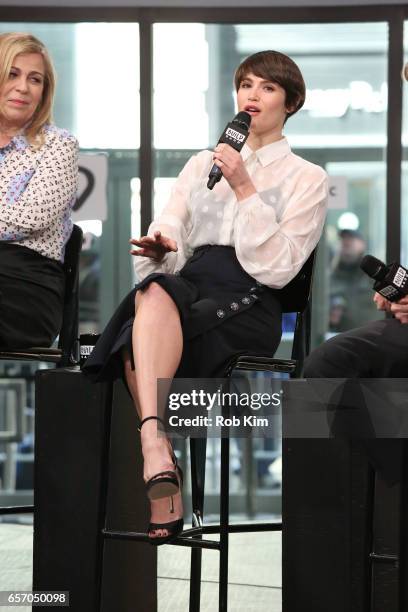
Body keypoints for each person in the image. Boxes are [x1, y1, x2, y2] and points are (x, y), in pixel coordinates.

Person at [83, 50, 328, 544]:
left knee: (138, 332)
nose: (251, 96)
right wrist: (160, 247)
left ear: (291, 103)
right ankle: (157, 444)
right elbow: (172, 224)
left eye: (266, 88)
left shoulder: (308, 178)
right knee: (153, 289)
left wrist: (243, 185)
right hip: (190, 282)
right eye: (245, 85)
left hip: (253, 296)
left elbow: (280, 268)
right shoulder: (202, 164)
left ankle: (158, 464)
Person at [0, 32, 78, 349]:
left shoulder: (59, 145)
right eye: (12, 74)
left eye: (35, 79)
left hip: (27, 286)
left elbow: (30, 217)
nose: (23, 87)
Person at [328, 229, 379, 332]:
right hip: (341, 341)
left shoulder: (375, 275)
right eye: (343, 239)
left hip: (374, 340)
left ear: (362, 244)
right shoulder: (330, 278)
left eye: (351, 238)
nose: (346, 242)